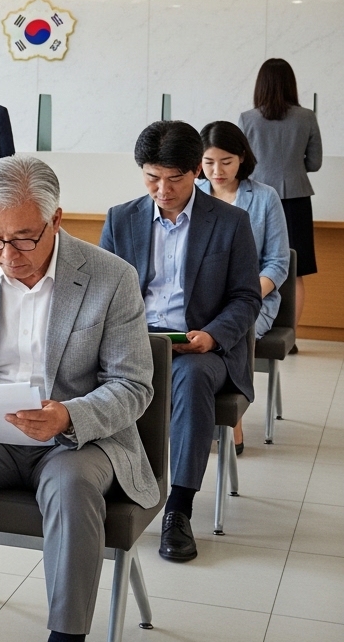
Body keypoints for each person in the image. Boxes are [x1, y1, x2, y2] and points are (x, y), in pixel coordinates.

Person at [0, 156, 156, 642]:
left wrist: (69, 416)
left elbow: (132, 385)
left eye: (22, 238)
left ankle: (66, 636)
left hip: (76, 441)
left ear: (55, 219)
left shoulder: (111, 277)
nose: (6, 254)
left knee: (71, 485)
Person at [100, 121, 259, 563]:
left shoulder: (230, 222)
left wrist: (212, 336)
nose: (163, 190)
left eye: (175, 179)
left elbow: (246, 297)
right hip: (135, 342)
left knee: (189, 376)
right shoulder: (121, 219)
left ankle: (179, 508)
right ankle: (106, 484)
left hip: (201, 348)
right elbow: (101, 292)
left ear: (196, 172)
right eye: (152, 177)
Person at [198, 120, 290, 455]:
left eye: (226, 161)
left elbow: (277, 263)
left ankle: (230, 420)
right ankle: (191, 417)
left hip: (254, 299)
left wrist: (245, 297)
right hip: (203, 301)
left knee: (232, 329)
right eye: (209, 162)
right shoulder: (193, 195)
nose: (217, 171)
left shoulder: (264, 197)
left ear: (241, 158)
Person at [239, 58, 322, 329]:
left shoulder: (247, 119)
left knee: (254, 263)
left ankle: (256, 328)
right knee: (296, 269)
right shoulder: (307, 117)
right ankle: (290, 336)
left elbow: (240, 163)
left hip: (256, 197)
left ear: (260, 85)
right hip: (296, 199)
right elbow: (315, 162)